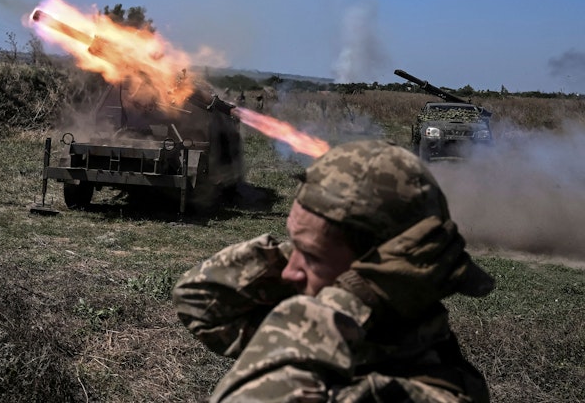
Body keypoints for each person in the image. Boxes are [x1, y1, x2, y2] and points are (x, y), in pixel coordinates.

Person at [173, 139, 494, 402]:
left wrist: (351, 298)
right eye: (292, 246)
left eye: (311, 257)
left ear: (382, 270)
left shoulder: (424, 391)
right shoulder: (361, 341)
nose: (288, 272)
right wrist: (304, 248)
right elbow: (198, 300)